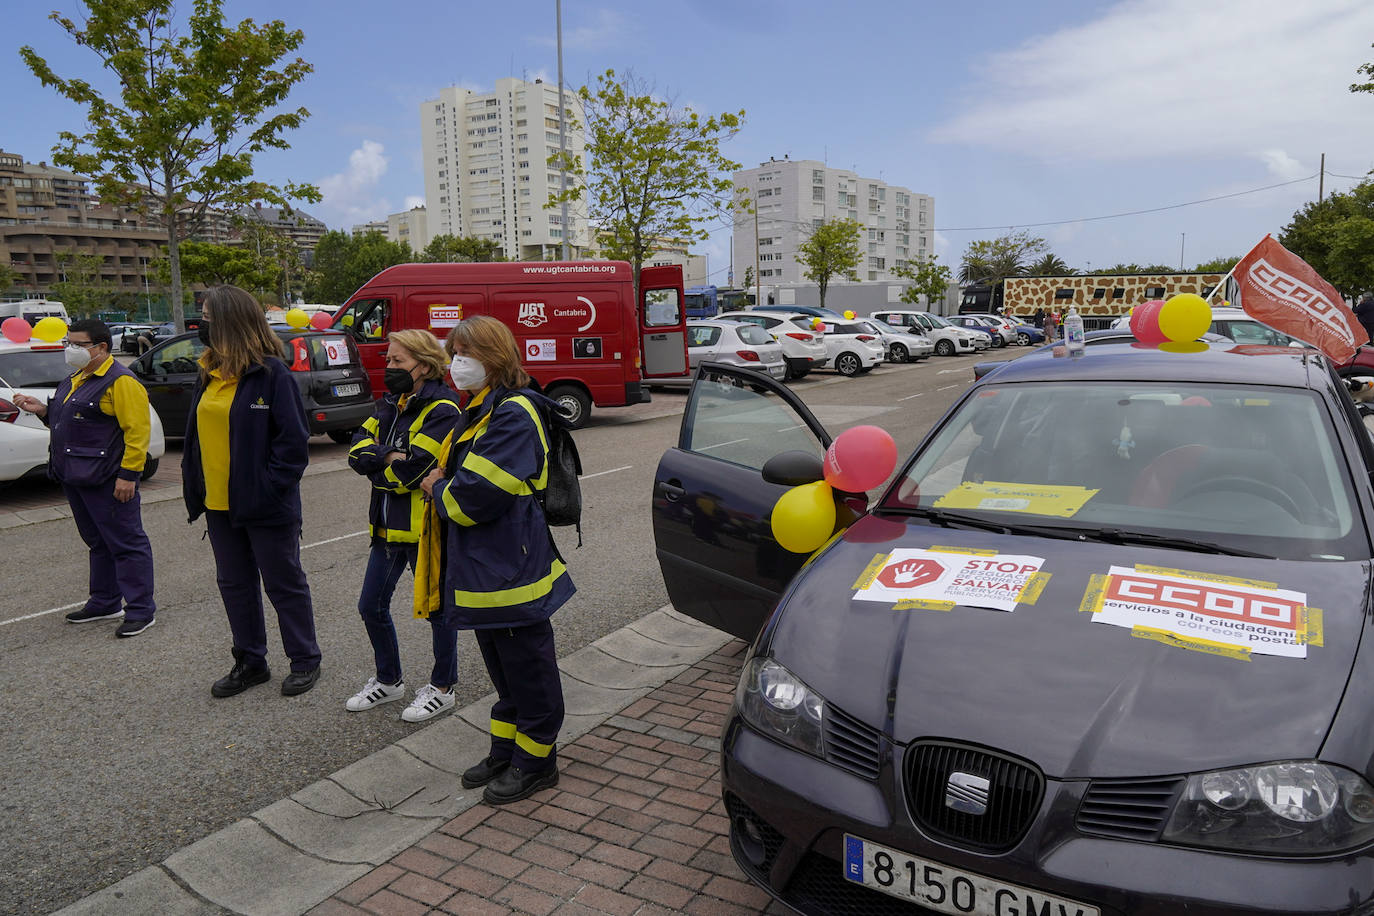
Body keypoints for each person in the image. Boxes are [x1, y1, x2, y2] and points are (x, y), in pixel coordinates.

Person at [418, 315, 573, 805]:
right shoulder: (482, 408)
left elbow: (473, 498)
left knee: (528, 668)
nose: (456, 363)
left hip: (510, 568)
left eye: (467, 353)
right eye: (454, 352)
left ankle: (537, 761)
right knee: (503, 669)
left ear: (495, 357)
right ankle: (506, 750)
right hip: (487, 567)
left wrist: (436, 485)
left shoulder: (513, 411)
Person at [182, 285, 322, 698]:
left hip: (264, 505)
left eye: (206, 317)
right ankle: (251, 661)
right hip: (218, 506)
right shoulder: (207, 370)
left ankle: (304, 660)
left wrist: (267, 489)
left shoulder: (271, 373)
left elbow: (293, 445)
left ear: (228, 321)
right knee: (235, 585)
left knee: (284, 584)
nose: (200, 324)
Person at [13, 319, 157, 637]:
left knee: (126, 543)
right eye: (69, 342)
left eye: (78, 344)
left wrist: (128, 476)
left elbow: (137, 434)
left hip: (107, 478)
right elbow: (72, 420)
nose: (71, 349)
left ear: (102, 347)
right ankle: (105, 601)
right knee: (98, 542)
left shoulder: (122, 381)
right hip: (77, 475)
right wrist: (42, 410)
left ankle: (141, 609)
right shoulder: (77, 377)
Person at [345, 329, 462, 721]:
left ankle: (443, 687)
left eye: (397, 361)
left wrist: (381, 464)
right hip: (385, 527)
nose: (389, 367)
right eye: (388, 360)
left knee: (438, 612)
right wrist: (387, 457)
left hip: (424, 530)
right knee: (370, 606)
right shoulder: (389, 403)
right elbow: (356, 449)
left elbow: (413, 472)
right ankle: (389, 681)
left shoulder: (443, 409)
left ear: (424, 366)